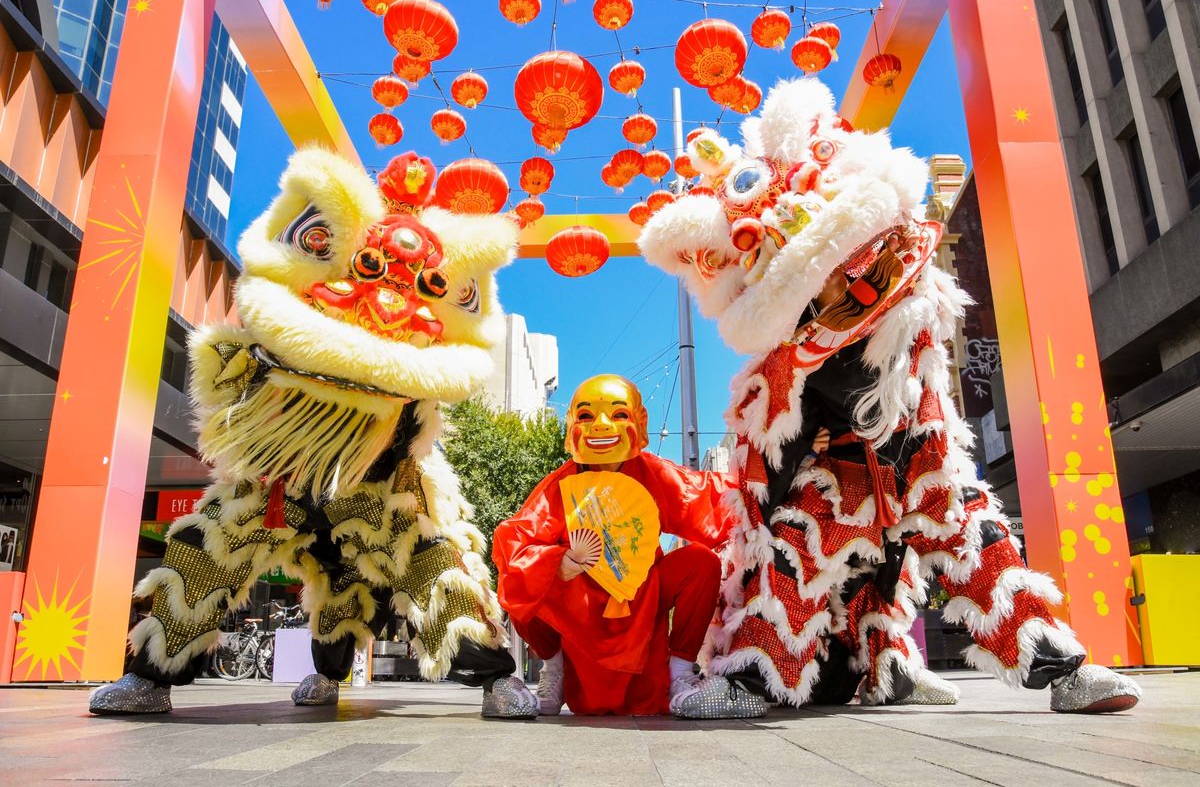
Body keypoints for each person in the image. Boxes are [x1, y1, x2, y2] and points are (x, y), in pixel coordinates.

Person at [638, 78, 1141, 714]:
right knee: (795, 556)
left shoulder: (913, 307)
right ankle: (754, 681)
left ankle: (1059, 670)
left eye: (853, 271)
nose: (846, 288)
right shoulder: (789, 359)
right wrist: (803, 439)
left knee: (977, 543)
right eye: (827, 284)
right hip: (836, 477)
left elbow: (928, 387)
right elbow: (766, 459)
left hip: (918, 456)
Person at [88, 149, 536, 718]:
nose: (388, 289)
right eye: (371, 268)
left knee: (425, 565)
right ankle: (148, 676)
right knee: (207, 548)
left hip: (381, 488)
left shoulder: (423, 349)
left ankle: (491, 680)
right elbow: (228, 376)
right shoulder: (294, 315)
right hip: (281, 479)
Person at [493, 375, 765, 718]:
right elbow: (516, 543)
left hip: (641, 594)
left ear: (640, 421)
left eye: (618, 415)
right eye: (587, 416)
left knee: (701, 561)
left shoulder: (652, 473)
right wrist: (557, 562)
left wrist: (780, 454)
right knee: (519, 582)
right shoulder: (559, 485)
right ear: (571, 425)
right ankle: (554, 670)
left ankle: (680, 675)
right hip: (582, 607)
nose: (602, 426)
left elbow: (714, 499)